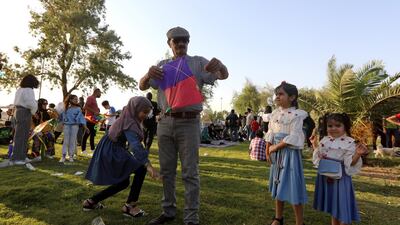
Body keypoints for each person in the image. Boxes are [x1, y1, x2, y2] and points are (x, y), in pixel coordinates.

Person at [139, 27, 229, 225]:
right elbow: (143, 86)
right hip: (165, 122)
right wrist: (147, 75)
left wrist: (221, 66)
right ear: (169, 43)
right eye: (176, 40)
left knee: (190, 172)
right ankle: (168, 210)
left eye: (185, 40)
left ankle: (191, 218)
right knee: (167, 171)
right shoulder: (162, 66)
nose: (181, 43)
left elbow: (223, 75)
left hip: (189, 122)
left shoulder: (197, 62)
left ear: (188, 42)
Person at [83, 96, 160, 217]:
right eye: (144, 112)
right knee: (141, 169)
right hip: (111, 150)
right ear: (135, 109)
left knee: (123, 182)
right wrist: (149, 166)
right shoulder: (129, 122)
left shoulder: (128, 116)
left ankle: (91, 202)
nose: (145, 115)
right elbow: (136, 147)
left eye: (147, 113)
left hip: (113, 147)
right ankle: (130, 207)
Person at [310, 113, 368, 225]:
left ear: (345, 127)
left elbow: (351, 163)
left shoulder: (349, 142)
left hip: (341, 178)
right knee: (333, 205)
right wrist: (314, 145)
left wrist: (357, 154)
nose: (333, 128)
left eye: (337, 125)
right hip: (327, 176)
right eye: (330, 126)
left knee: (342, 204)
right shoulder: (325, 140)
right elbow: (320, 155)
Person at [265, 81, 307, 225]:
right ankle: (278, 217)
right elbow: (270, 132)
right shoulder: (274, 114)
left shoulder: (297, 115)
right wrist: (267, 149)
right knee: (278, 184)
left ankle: (299, 222)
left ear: (292, 97)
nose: (277, 96)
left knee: (293, 186)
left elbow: (294, 136)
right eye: (276, 94)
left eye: (281, 94)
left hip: (289, 154)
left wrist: (276, 148)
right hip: (276, 154)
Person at [11, 74, 39, 165]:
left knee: (21, 136)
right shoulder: (29, 90)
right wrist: (33, 112)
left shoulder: (20, 89)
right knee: (22, 136)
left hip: (18, 111)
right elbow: (31, 103)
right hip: (24, 112)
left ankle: (21, 156)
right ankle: (18, 158)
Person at [60, 95, 89, 163]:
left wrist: (85, 127)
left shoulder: (79, 109)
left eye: (77, 99)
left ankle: (71, 156)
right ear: (70, 100)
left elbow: (81, 118)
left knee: (72, 141)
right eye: (75, 99)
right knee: (66, 141)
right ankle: (63, 156)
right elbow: (62, 117)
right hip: (67, 126)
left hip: (75, 126)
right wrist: (62, 123)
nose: (76, 100)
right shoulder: (66, 108)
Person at [82, 88, 101, 154]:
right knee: (86, 135)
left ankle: (92, 149)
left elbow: (93, 108)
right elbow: (85, 107)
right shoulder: (90, 98)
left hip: (94, 120)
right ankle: (83, 150)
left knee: (92, 135)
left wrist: (97, 110)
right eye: (100, 92)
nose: (100, 94)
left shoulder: (94, 99)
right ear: (96, 92)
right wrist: (94, 111)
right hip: (89, 119)